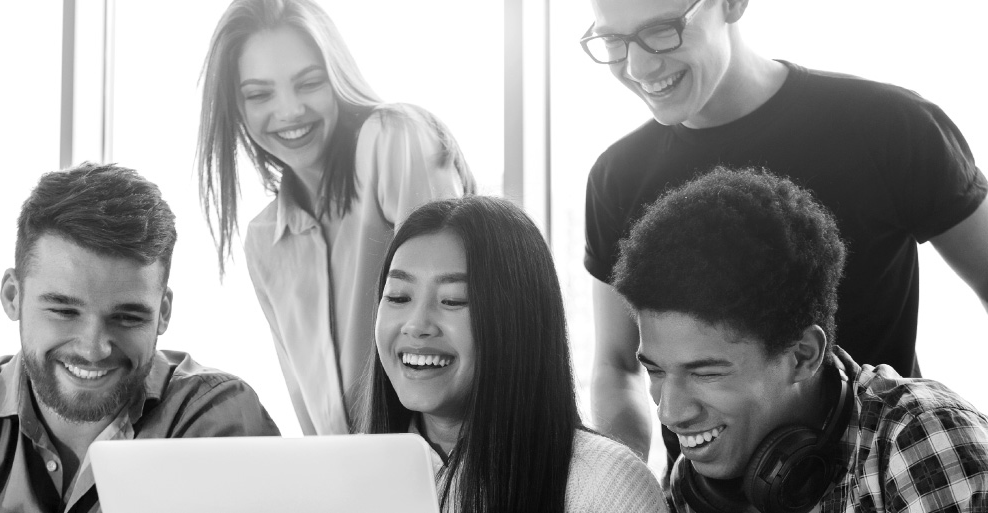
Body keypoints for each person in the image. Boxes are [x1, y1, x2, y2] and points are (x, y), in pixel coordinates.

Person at [579, 0, 988, 462]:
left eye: (662, 30)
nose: (637, 65)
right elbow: (618, 364)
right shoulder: (618, 177)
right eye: (613, 40)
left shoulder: (890, 126)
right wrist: (627, 490)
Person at [0, 163, 281, 513]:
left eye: (128, 317)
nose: (94, 347)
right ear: (12, 296)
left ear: (163, 313)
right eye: (63, 311)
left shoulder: (215, 416)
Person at [616, 168, 988, 512]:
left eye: (705, 373)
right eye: (656, 372)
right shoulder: (696, 482)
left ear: (803, 356)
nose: (670, 413)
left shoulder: (923, 439)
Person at [197, 0, 477, 436]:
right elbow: (314, 419)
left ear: (337, 76)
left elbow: (462, 313)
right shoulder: (264, 240)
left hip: (451, 460)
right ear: (235, 107)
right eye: (259, 94)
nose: (289, 111)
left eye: (309, 83)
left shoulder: (391, 141)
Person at [361, 195, 664, 512]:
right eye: (398, 296)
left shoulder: (605, 485)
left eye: (452, 300)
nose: (417, 324)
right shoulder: (347, 475)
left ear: (517, 319)